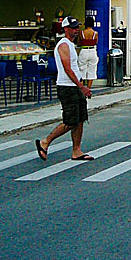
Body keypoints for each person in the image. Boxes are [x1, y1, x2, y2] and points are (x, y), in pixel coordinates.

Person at [36, 16, 94, 161]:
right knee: (70, 120)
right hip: (67, 87)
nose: (76, 31)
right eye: (73, 28)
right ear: (66, 29)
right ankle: (46, 142)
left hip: (75, 86)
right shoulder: (63, 45)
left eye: (77, 28)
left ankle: (77, 150)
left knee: (81, 118)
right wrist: (82, 87)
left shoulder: (71, 44)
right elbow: (67, 69)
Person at [77, 15, 99, 88]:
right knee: (92, 71)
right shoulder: (95, 33)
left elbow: (79, 43)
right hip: (92, 51)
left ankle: (82, 89)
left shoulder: (82, 33)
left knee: (81, 70)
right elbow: (96, 42)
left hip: (84, 51)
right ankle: (88, 89)